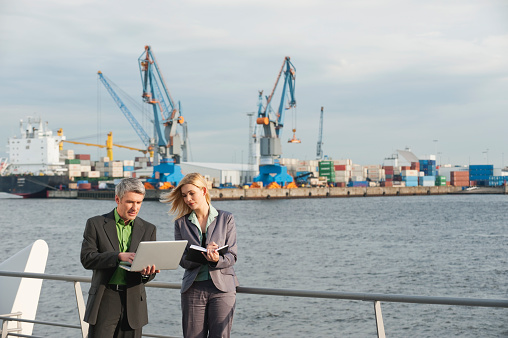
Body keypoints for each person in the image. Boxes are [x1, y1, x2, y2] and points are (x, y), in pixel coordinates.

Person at [161, 173, 238, 338]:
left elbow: (232, 256)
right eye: (184, 195)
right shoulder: (181, 223)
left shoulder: (226, 219)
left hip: (222, 289)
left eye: (191, 193)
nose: (188, 198)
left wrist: (216, 259)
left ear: (203, 191)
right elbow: (181, 259)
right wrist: (200, 255)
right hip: (193, 287)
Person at [81, 177, 159, 338]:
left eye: (139, 203)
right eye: (130, 202)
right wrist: (118, 256)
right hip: (105, 299)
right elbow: (87, 258)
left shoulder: (149, 229)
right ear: (117, 199)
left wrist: (147, 272)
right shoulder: (95, 224)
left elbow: (149, 274)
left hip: (134, 301)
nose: (135, 208)